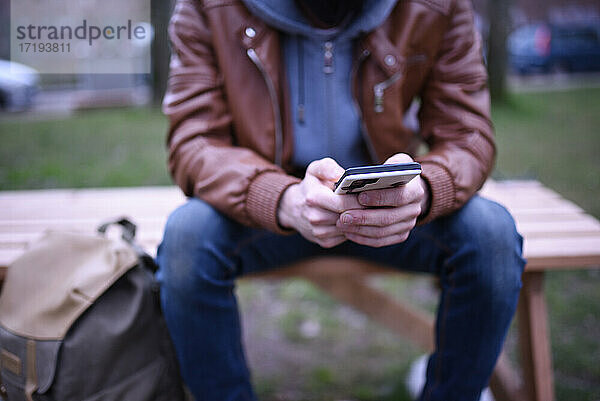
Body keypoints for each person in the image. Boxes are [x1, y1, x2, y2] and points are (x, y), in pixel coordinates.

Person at [156, 0, 526, 400]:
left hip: (394, 213)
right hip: (270, 210)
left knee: (491, 235)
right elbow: (193, 141)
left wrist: (425, 189)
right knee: (186, 239)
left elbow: (467, 135)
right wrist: (280, 198)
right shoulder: (208, 7)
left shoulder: (438, 7)